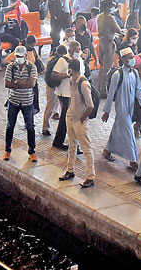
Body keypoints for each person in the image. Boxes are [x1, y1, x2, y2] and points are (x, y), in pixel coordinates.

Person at [100, 47, 141, 169]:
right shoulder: (117, 75)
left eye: (132, 57)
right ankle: (133, 160)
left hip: (130, 108)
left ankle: (108, 150)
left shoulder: (134, 73)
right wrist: (106, 111)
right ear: (123, 59)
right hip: (121, 108)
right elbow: (111, 94)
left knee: (118, 129)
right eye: (129, 57)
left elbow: (139, 91)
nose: (132, 59)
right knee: (128, 132)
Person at [58, 59, 96, 188]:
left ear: (71, 69)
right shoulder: (71, 81)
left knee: (86, 149)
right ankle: (70, 170)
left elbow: (90, 106)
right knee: (72, 145)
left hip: (79, 121)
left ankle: (90, 176)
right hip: (71, 118)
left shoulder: (83, 84)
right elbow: (72, 100)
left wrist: (81, 119)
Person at [2, 44, 38, 161]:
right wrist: (23, 82)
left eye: (20, 56)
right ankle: (7, 150)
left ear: (25, 55)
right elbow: (7, 84)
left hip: (28, 102)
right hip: (13, 101)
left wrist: (16, 82)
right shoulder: (10, 67)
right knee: (10, 126)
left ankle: (32, 150)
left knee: (30, 127)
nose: (18, 58)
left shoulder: (32, 67)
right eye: (17, 56)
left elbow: (31, 84)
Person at [52, 41, 85, 150]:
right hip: (64, 93)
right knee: (67, 117)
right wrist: (68, 74)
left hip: (75, 93)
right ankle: (62, 142)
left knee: (68, 117)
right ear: (70, 50)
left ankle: (65, 142)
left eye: (79, 49)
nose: (78, 51)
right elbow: (54, 75)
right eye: (76, 50)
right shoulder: (62, 60)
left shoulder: (79, 59)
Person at [96, 0, 122, 95]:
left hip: (101, 42)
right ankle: (103, 89)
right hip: (108, 43)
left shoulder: (100, 16)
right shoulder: (110, 18)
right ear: (108, 7)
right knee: (107, 66)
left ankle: (99, 86)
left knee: (102, 65)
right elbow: (118, 30)